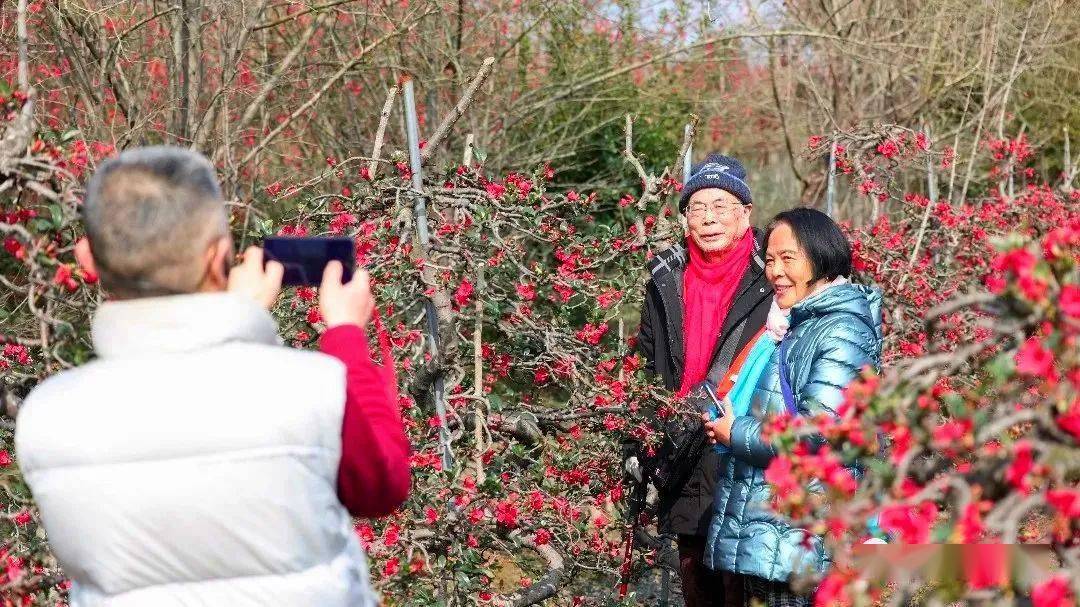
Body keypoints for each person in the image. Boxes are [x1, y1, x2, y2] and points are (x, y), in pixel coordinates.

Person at [15, 147, 410, 606]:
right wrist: (345, 336)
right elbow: (383, 486)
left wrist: (236, 320)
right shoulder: (309, 388)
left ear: (89, 261)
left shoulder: (46, 415)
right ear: (218, 256)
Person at [702, 208, 882, 607]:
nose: (775, 271)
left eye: (788, 258)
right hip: (777, 533)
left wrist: (738, 433)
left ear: (820, 258)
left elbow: (821, 429)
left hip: (800, 536)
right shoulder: (799, 324)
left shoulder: (841, 329)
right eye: (769, 259)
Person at [635, 154, 773, 607]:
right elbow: (649, 363)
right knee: (694, 573)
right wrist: (642, 440)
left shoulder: (770, 276)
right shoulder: (665, 276)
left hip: (745, 441)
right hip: (683, 441)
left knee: (743, 574)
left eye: (721, 205)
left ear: (745, 213)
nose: (709, 218)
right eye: (697, 207)